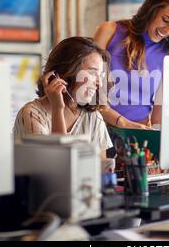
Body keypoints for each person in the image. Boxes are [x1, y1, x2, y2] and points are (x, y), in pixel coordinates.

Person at [94, 0, 169, 129]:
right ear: (152, 9)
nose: (167, 31)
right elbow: (91, 94)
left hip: (139, 137)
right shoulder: (109, 32)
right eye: (165, 20)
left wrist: (155, 139)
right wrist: (124, 123)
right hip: (101, 130)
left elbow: (158, 117)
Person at [13, 37, 114, 171]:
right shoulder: (31, 114)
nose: (99, 83)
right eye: (91, 73)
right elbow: (54, 171)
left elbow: (101, 172)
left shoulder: (93, 117)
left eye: (100, 75)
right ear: (64, 74)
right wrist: (57, 109)